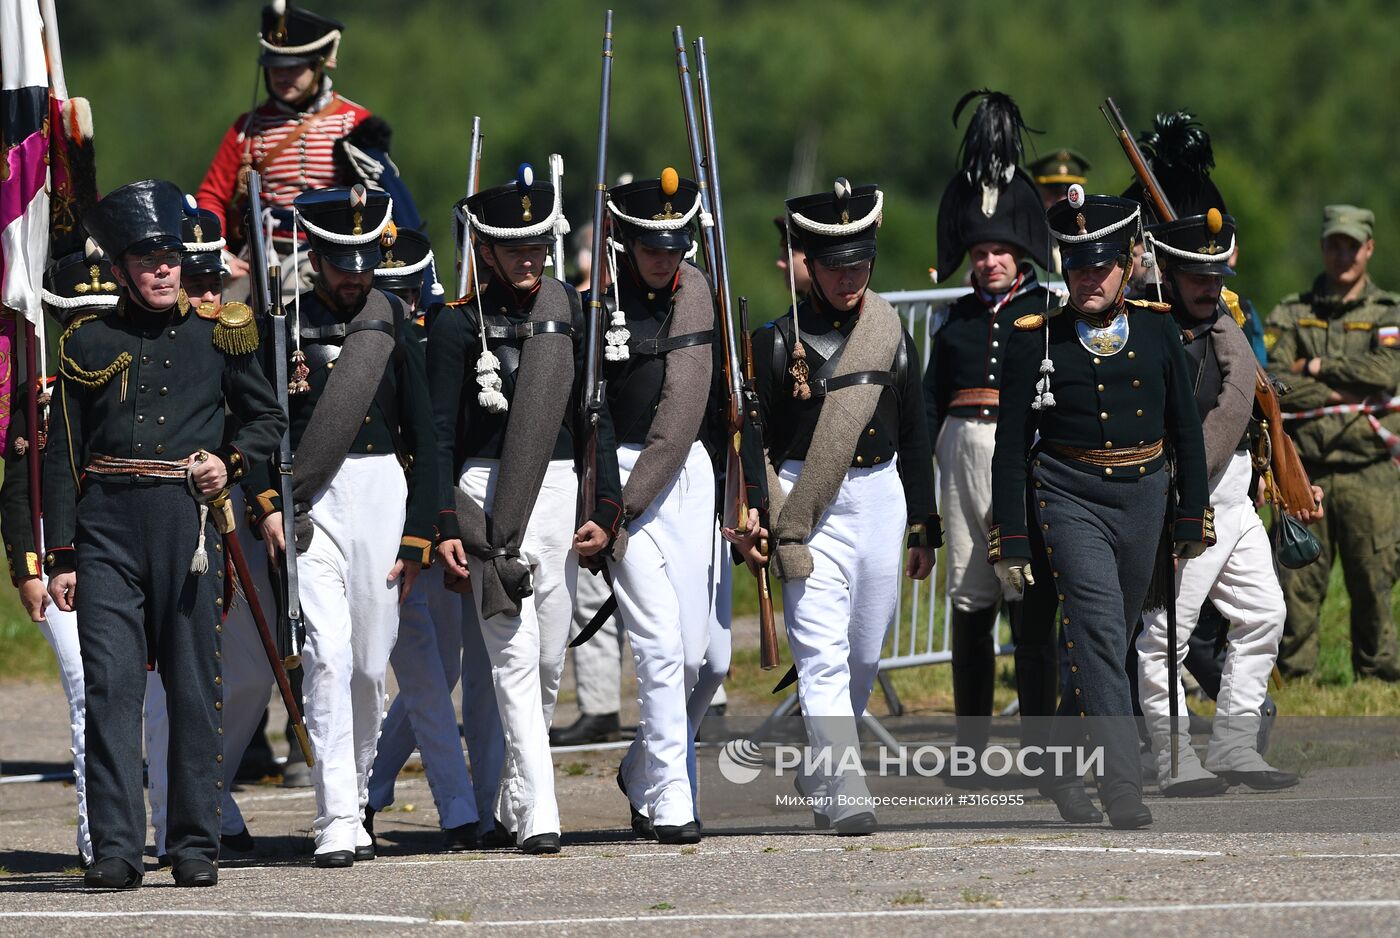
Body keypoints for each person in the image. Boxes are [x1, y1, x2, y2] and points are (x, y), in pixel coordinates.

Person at [44, 178, 284, 889]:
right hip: (107, 530)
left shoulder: (220, 333)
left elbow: (265, 420)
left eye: (171, 256)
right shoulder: (87, 339)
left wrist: (229, 462)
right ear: (119, 267)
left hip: (188, 524)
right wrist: (62, 554)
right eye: (146, 258)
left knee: (192, 685)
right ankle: (116, 849)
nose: (162, 269)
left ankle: (193, 843)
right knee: (112, 689)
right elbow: (63, 455)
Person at [989, 188, 1213, 830]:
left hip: (1143, 495)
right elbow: (1010, 448)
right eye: (1077, 263)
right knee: (1100, 634)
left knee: (1108, 648)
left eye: (1102, 263)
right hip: (1067, 495)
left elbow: (1185, 431)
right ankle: (1122, 788)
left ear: (1129, 261)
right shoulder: (1035, 338)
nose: (1088, 276)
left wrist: (1191, 512)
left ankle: (1057, 765)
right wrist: (1014, 536)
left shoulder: (1155, 326)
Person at [730, 179, 939, 835]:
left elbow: (915, 432)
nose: (851, 277)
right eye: (836, 265)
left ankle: (823, 767)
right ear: (810, 267)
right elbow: (754, 438)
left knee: (862, 659)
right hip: (805, 504)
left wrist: (923, 523)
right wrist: (760, 509)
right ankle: (847, 788)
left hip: (880, 498)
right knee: (819, 656)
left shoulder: (891, 337)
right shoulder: (772, 344)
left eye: (861, 264)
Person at [430, 165, 623, 855]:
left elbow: (592, 421)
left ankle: (515, 797)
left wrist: (603, 503)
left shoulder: (567, 315)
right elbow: (441, 439)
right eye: (516, 247)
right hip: (487, 498)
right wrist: (446, 523)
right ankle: (542, 811)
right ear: (485, 251)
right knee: (512, 658)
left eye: (539, 244)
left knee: (545, 665)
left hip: (559, 487)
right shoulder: (454, 329)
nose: (531, 257)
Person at [245, 185, 439, 868]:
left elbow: (427, 434)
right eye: (339, 259)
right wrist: (269, 500)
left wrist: (419, 533)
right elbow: (257, 425)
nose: (353, 273)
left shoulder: (393, 324)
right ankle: (335, 815)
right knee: (325, 657)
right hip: (314, 504)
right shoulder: (280, 324)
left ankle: (355, 796)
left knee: (364, 664)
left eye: (363, 259)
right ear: (316, 254)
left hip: (383, 491)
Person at [1135, 208, 1298, 795]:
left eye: (1216, 274)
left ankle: (1233, 746)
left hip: (1234, 495)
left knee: (1264, 615)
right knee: (1164, 638)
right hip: (1187, 496)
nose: (1210, 285)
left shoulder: (1226, 326)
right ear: (1171, 273)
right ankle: (1174, 758)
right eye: (1197, 275)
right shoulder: (1148, 331)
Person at [142, 199, 279, 863]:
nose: (203, 296)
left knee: (251, 672)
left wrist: (247, 478)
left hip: (231, 522)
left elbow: (263, 422)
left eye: (210, 284)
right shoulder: (140, 336)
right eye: (191, 282)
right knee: (172, 680)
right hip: (155, 525)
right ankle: (181, 819)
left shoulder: (234, 333)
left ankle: (208, 792)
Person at [926, 90, 1058, 767]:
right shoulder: (953, 320)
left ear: (1021, 252)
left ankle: (1039, 749)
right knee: (970, 603)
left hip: (1023, 458)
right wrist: (922, 513)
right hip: (960, 454)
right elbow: (928, 404)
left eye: (1001, 250)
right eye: (981, 252)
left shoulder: (1048, 310)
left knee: (1028, 601)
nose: (990, 262)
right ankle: (970, 747)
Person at [365, 228, 506, 852]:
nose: (396, 305)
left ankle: (369, 787)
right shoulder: (360, 345)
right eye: (384, 291)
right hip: (378, 521)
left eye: (405, 292)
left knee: (439, 668)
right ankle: (459, 808)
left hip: (436, 524)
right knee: (419, 669)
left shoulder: (446, 338)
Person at [595, 169, 719, 844]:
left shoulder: (700, 295)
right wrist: (609, 500)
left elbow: (727, 405)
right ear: (623, 241)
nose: (664, 258)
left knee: (703, 658)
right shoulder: (598, 305)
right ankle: (671, 797)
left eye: (674, 246)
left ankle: (642, 770)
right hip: (622, 478)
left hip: (690, 475)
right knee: (662, 647)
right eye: (651, 247)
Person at [1, 246, 123, 870]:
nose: (91, 325)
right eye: (78, 316)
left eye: (103, 311)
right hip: (60, 556)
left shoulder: (137, 376)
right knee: (87, 687)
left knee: (146, 691)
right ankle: (98, 835)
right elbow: (20, 486)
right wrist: (27, 567)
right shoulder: (40, 396)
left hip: (128, 544)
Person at [197, 2, 419, 298]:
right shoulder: (247, 127)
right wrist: (220, 252)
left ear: (318, 65)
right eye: (275, 67)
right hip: (260, 253)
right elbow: (212, 195)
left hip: (333, 254)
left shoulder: (355, 122)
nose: (282, 75)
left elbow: (383, 198)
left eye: (294, 66)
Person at [1267, 205, 1400, 681]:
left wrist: (1314, 366)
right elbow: (1274, 379)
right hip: (1307, 469)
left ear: (1368, 248)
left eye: (1351, 245)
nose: (1342, 255)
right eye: (1333, 244)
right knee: (1296, 580)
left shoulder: (1390, 311)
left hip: (1371, 471)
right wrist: (1341, 389)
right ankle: (1294, 678)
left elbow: (1387, 374)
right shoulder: (1291, 312)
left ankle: (1379, 681)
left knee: (1374, 579)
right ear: (1323, 247)